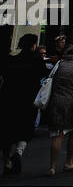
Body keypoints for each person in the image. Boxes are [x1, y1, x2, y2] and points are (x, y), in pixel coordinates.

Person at [43, 43, 73, 176]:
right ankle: (69, 162)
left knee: (58, 134)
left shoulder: (60, 64)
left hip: (58, 101)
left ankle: (52, 166)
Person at [0, 35, 47, 176]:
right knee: (26, 129)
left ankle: (7, 162)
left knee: (7, 131)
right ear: (33, 45)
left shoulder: (11, 60)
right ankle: (19, 152)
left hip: (9, 99)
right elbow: (43, 77)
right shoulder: (37, 60)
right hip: (28, 99)